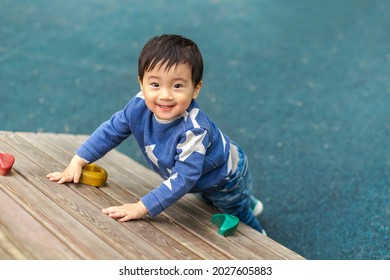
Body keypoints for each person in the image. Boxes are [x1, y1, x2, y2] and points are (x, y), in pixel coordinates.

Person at [47, 34, 265, 234]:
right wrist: (78, 160)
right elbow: (111, 130)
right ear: (141, 83)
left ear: (196, 89)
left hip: (225, 176)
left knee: (237, 212)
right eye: (154, 84)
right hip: (207, 167)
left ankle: (257, 229)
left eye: (178, 85)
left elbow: (183, 178)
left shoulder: (194, 131)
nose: (165, 95)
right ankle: (248, 199)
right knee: (208, 198)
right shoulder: (139, 105)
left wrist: (142, 207)